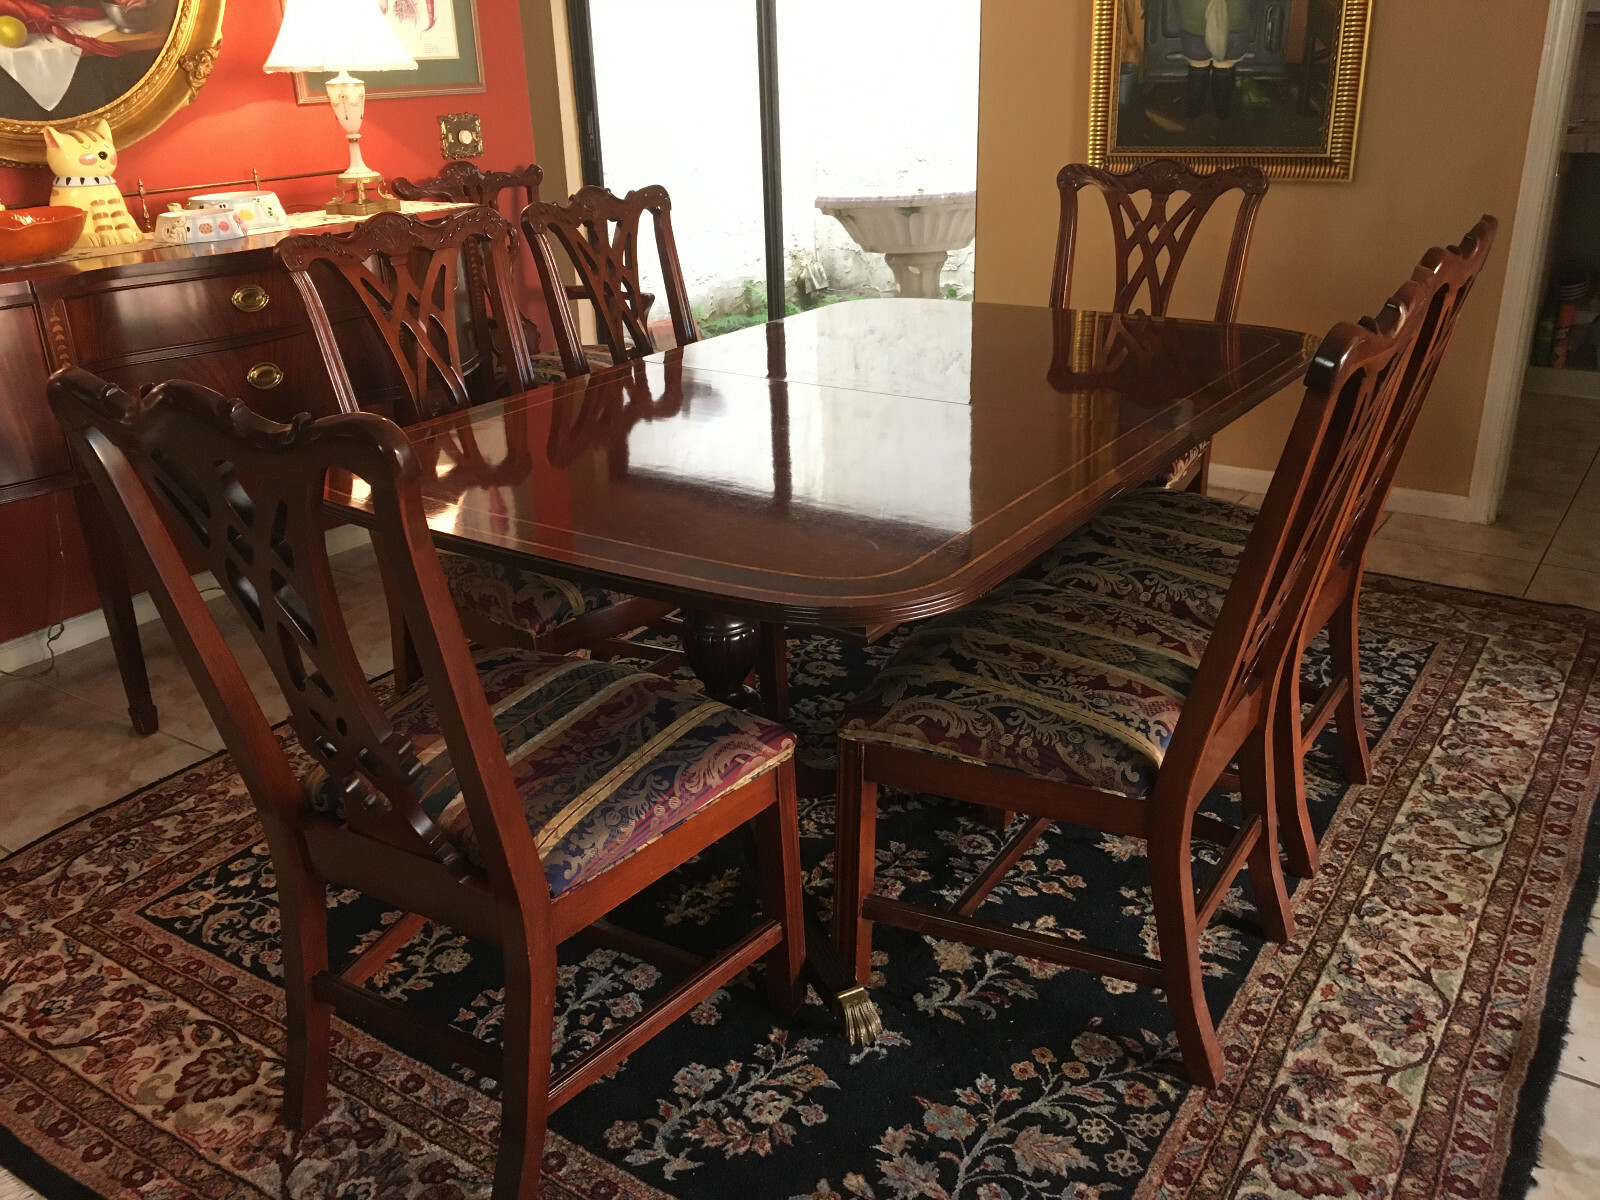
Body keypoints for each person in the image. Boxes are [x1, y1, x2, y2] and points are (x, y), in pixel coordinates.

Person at [1180, 0, 1251, 119]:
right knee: (1225, 63)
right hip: (1234, 15)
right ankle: (1222, 110)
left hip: (1195, 15)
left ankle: (1194, 110)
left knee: (1198, 63)